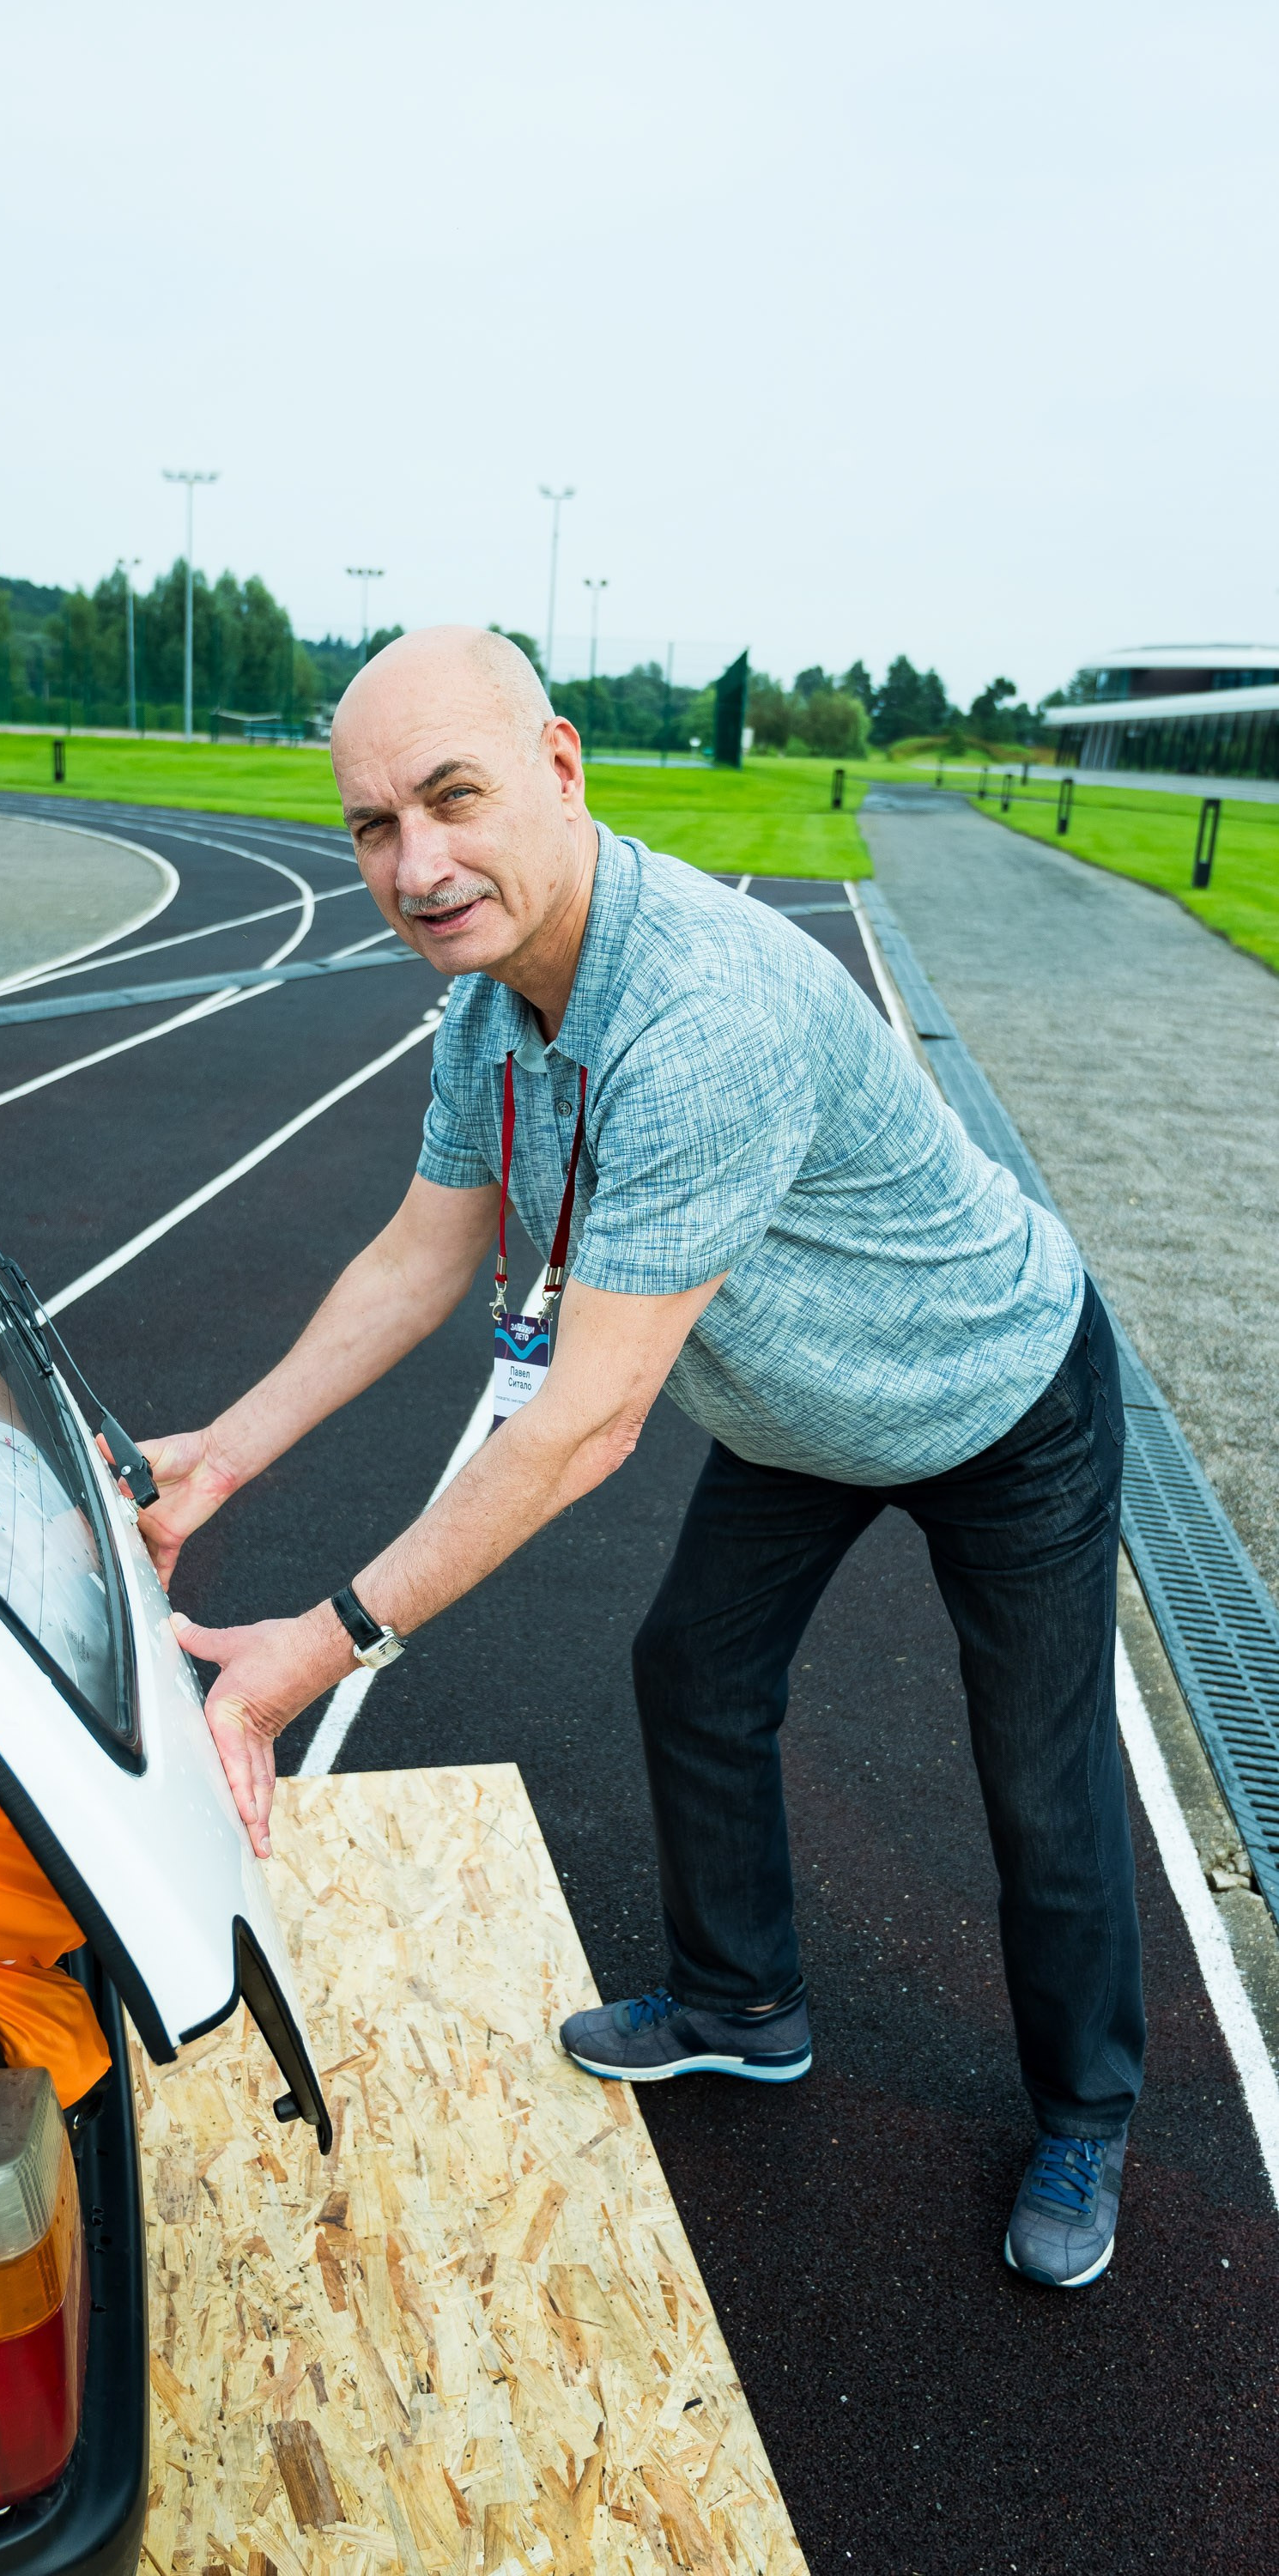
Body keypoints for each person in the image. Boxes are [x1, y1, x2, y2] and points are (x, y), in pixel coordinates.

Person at [137, 626, 1142, 2290]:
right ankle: (741, 2005)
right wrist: (219, 1463)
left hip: (993, 1395)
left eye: (452, 798)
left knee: (1038, 1783)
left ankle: (1085, 2116)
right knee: (691, 1669)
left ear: (558, 767)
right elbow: (415, 1253)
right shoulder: (493, 1004)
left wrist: (299, 1657)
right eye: (373, 826)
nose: (417, 863)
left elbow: (587, 1423)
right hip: (795, 1413)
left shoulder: (701, 1015)